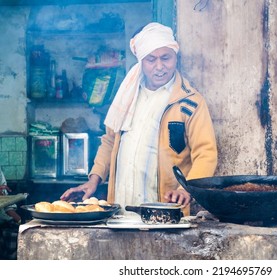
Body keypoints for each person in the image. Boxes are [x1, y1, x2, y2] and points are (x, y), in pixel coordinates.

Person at [61, 22, 218, 215]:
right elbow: (109, 142)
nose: (159, 67)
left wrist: (186, 189)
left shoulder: (189, 102)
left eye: (166, 58)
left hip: (164, 211)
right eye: (151, 59)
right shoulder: (126, 97)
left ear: (175, 58)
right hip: (121, 207)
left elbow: (206, 153)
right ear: (141, 61)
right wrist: (94, 179)